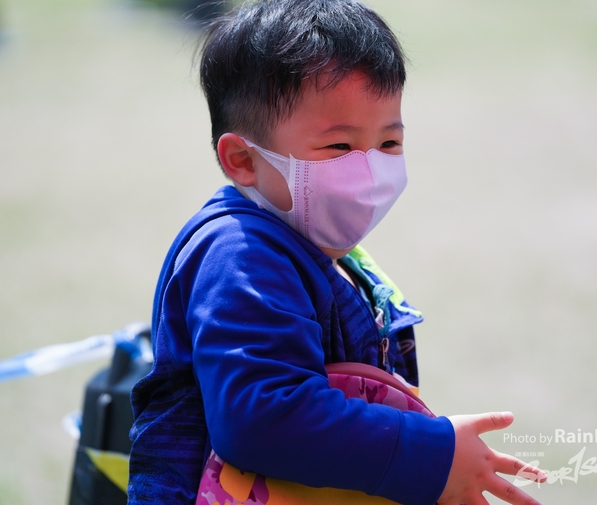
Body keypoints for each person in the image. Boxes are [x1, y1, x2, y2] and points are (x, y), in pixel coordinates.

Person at [128, 1, 546, 504]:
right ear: (243, 160)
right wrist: (428, 453)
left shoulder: (314, 244)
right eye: (339, 148)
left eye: (388, 144)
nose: (369, 171)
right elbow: (261, 419)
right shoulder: (241, 255)